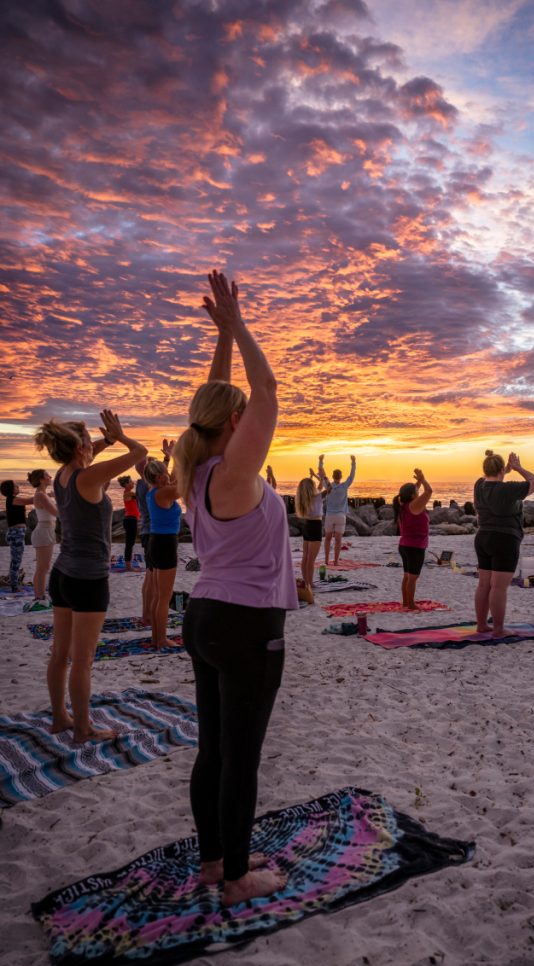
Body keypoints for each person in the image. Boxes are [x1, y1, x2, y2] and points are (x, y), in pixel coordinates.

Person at [174, 269, 297, 906]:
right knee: (239, 759)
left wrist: (222, 334)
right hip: (247, 627)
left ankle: (212, 862)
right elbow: (266, 387)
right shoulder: (236, 470)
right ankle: (238, 879)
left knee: (213, 751)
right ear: (236, 422)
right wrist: (242, 328)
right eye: (241, 415)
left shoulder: (196, 468)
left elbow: (220, 397)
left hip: (204, 619)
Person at [34, 411, 147, 742]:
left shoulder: (64, 474)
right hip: (88, 580)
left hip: (63, 574)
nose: (93, 446)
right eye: (89, 441)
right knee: (82, 661)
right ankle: (82, 728)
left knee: (60, 654)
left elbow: (90, 454)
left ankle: (60, 718)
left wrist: (106, 441)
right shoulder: (89, 476)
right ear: (80, 446)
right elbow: (140, 454)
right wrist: (122, 437)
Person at [473, 450, 534, 637]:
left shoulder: (479, 485)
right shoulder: (508, 489)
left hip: (483, 537)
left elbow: (491, 478)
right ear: (501, 470)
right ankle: (498, 629)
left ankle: (481, 625)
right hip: (505, 539)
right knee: (499, 587)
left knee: (484, 585)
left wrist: (504, 470)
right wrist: (518, 468)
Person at [144, 450, 182, 648]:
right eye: (165, 473)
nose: (169, 475)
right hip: (165, 544)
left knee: (159, 595)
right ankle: (161, 639)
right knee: (164, 597)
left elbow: (175, 480)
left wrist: (173, 457)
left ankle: (155, 637)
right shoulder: (163, 492)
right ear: (159, 477)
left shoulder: (153, 492)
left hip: (156, 541)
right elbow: (183, 484)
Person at [392, 469, 432, 609]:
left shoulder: (403, 505)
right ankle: (411, 604)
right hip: (415, 547)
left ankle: (406, 602)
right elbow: (429, 491)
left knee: (407, 576)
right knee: (413, 578)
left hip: (405, 546)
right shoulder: (414, 506)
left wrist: (419, 482)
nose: (418, 492)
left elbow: (415, 492)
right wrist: (424, 479)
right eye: (416, 491)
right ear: (412, 495)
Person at [27, 469, 58, 609]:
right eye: (47, 475)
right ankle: (40, 597)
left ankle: (39, 595)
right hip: (44, 531)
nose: (50, 477)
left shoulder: (44, 495)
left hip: (47, 531)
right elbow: (57, 513)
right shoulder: (41, 495)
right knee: (43, 568)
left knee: (42, 567)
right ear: (41, 479)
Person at [320, 454, 356, 565]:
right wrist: (353, 462)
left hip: (330, 515)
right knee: (338, 540)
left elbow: (322, 474)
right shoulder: (344, 486)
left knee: (327, 539)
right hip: (340, 516)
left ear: (333, 476)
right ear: (340, 477)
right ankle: (335, 561)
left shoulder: (328, 486)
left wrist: (321, 461)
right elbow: (352, 476)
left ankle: (326, 560)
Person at [1, 479, 34, 593]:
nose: (18, 486)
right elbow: (31, 500)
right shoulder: (14, 500)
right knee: (16, 561)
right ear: (12, 489)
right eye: (16, 486)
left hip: (16, 533)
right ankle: (14, 587)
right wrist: (44, 493)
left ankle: (13, 583)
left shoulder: (13, 500)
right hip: (16, 534)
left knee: (15, 560)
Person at [295, 466, 325, 590]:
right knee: (311, 559)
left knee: (305, 557)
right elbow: (329, 488)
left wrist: (314, 476)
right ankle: (310, 584)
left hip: (307, 526)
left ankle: (306, 582)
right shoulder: (317, 497)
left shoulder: (303, 498)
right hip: (315, 526)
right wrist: (322, 476)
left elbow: (320, 487)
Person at [118, 476, 140, 570]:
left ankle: (128, 565)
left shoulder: (128, 493)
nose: (133, 483)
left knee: (130, 543)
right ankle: (128, 566)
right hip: (130, 520)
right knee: (129, 544)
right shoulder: (129, 493)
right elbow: (141, 496)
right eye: (131, 481)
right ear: (126, 484)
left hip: (131, 519)